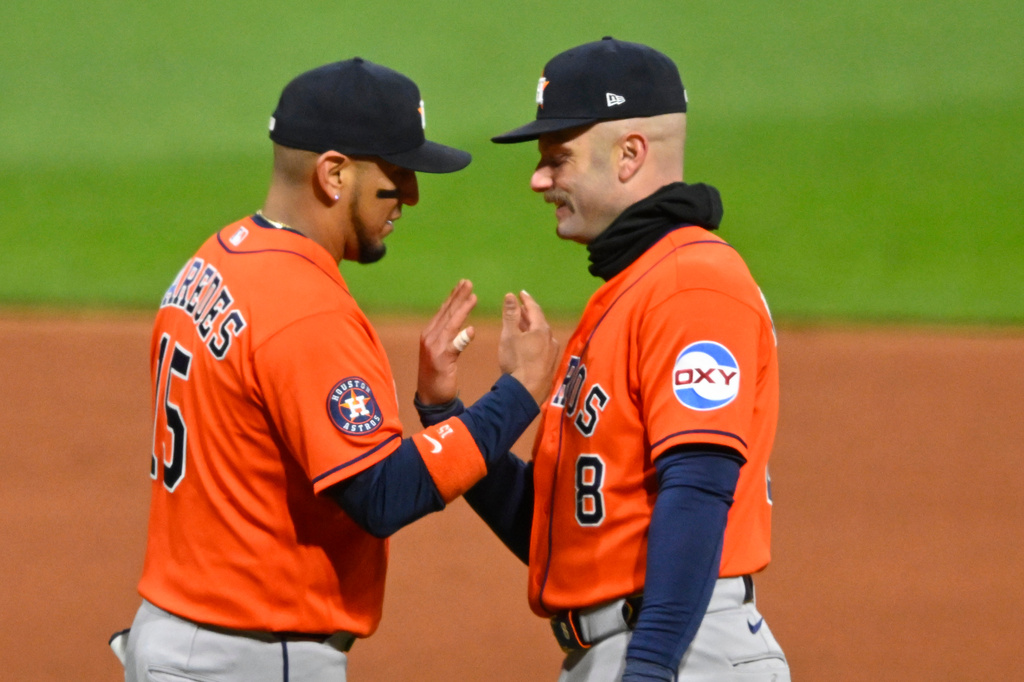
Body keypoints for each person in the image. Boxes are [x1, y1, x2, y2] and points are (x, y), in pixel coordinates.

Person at [111, 57, 560, 682]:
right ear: (334, 173)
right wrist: (517, 395)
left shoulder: (215, 260)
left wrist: (438, 410)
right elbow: (382, 495)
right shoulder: (305, 307)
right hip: (250, 654)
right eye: (397, 175)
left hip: (180, 632)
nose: (411, 196)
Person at [417, 38, 790, 681]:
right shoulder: (631, 289)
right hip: (633, 649)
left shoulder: (692, 284)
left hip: (678, 652)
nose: (539, 180)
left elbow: (699, 487)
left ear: (630, 155)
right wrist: (447, 413)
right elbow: (559, 530)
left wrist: (648, 669)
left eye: (557, 159)